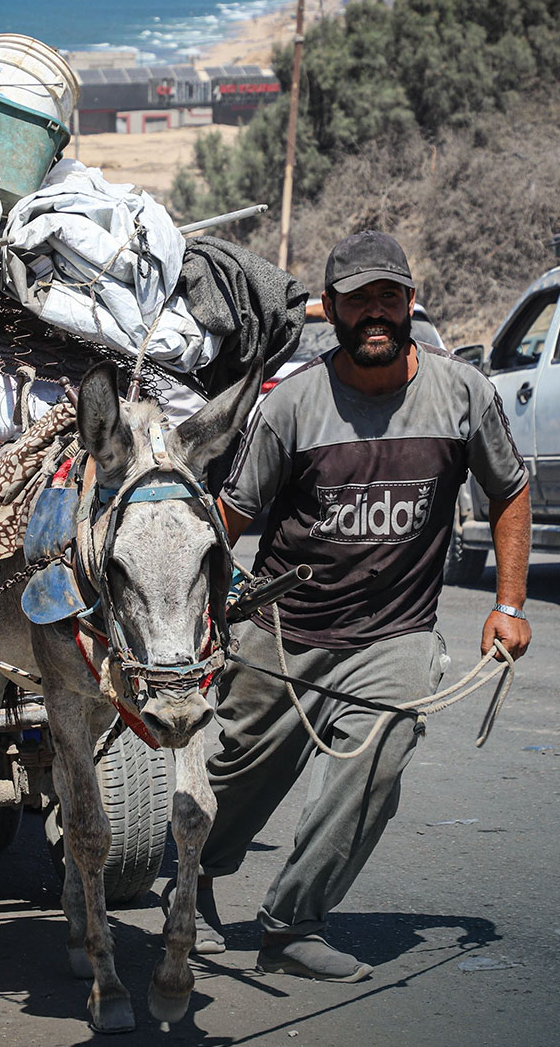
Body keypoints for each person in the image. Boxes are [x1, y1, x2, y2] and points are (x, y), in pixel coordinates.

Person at [184, 230, 532, 982]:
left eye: (387, 297)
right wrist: (197, 605)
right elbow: (228, 517)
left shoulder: (462, 393)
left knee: (378, 762)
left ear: (409, 302)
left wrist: (510, 602)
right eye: (357, 299)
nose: (374, 312)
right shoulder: (292, 405)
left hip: (395, 631)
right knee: (240, 772)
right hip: (285, 629)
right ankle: (194, 876)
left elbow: (509, 488)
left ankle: (292, 923)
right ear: (331, 309)